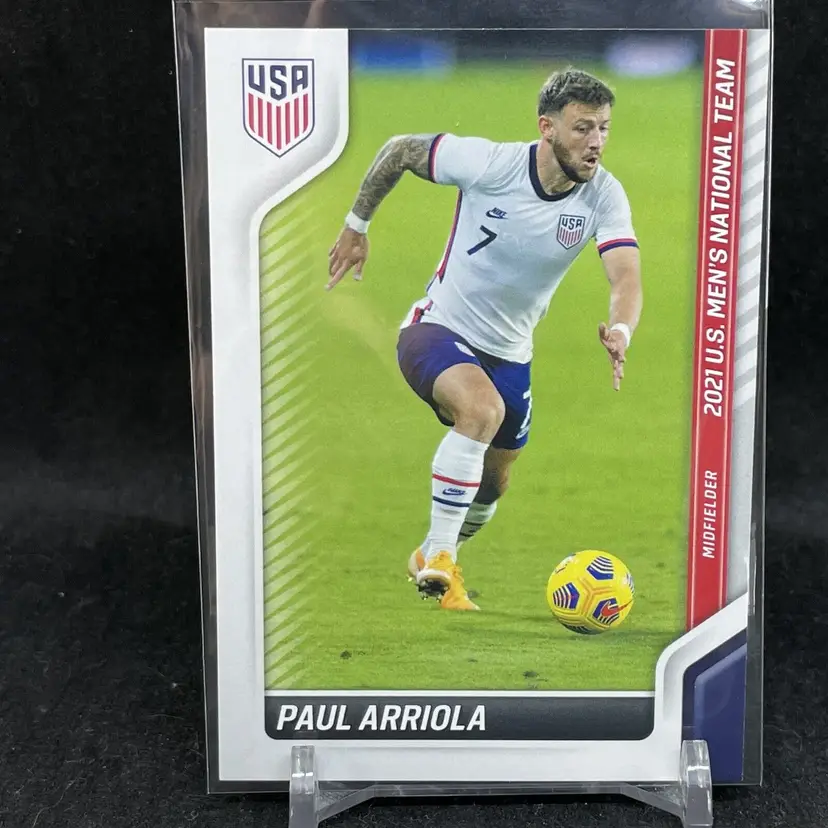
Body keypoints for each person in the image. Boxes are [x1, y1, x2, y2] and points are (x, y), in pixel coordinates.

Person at [326, 68, 643, 611]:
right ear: (547, 127)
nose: (596, 142)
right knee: (481, 410)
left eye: (603, 128)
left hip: (512, 355)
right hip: (437, 327)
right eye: (582, 128)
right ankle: (442, 557)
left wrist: (620, 328)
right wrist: (357, 225)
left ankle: (428, 551)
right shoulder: (491, 164)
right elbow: (400, 150)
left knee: (493, 484)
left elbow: (626, 276)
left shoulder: (604, 196)